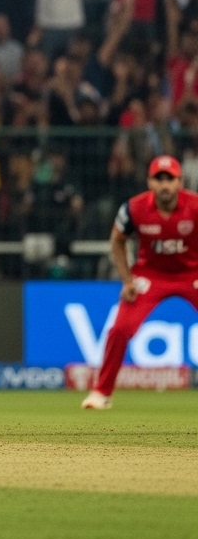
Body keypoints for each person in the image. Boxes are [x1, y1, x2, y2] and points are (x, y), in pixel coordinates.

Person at [82, 155, 198, 409]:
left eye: (170, 179)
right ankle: (102, 393)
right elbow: (117, 241)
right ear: (149, 182)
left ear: (180, 182)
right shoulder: (133, 208)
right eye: (159, 179)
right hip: (150, 276)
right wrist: (127, 280)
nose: (165, 185)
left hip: (192, 274)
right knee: (119, 329)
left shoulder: (195, 205)